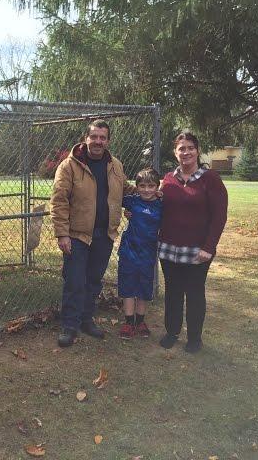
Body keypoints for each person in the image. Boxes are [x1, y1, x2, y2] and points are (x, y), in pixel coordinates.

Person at [50, 119, 135, 347]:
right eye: (94, 137)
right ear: (85, 139)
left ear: (108, 140)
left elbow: (125, 190)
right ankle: (69, 325)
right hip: (77, 236)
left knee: (93, 281)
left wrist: (147, 196)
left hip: (104, 235)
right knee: (74, 281)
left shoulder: (115, 165)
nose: (98, 141)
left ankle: (86, 320)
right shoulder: (69, 166)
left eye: (102, 137)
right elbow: (58, 201)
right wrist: (62, 234)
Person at [158, 131, 228, 353]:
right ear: (175, 152)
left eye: (190, 147)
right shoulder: (168, 180)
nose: (186, 152)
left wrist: (209, 247)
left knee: (195, 292)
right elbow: (154, 206)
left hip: (198, 251)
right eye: (181, 148)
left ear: (197, 150)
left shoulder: (211, 179)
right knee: (173, 291)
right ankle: (172, 332)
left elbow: (219, 216)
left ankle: (195, 338)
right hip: (169, 249)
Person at [117, 168, 162, 340]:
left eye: (151, 186)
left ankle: (140, 321)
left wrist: (162, 195)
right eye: (142, 186)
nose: (146, 190)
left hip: (148, 252)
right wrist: (125, 213)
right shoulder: (132, 201)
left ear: (157, 187)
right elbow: (114, 198)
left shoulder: (161, 203)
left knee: (144, 287)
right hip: (129, 250)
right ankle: (128, 322)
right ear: (137, 187)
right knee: (128, 286)